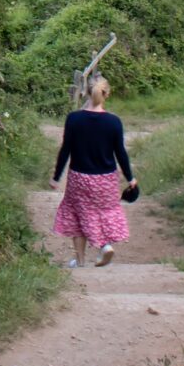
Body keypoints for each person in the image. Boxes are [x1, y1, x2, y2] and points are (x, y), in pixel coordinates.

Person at [49, 75, 135, 267]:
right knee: (104, 212)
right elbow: (120, 153)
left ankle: (80, 261)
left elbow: (66, 150)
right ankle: (105, 245)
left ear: (86, 92)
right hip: (106, 180)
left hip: (79, 177)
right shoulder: (114, 122)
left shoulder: (74, 119)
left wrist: (56, 177)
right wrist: (131, 178)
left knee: (78, 215)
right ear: (107, 94)